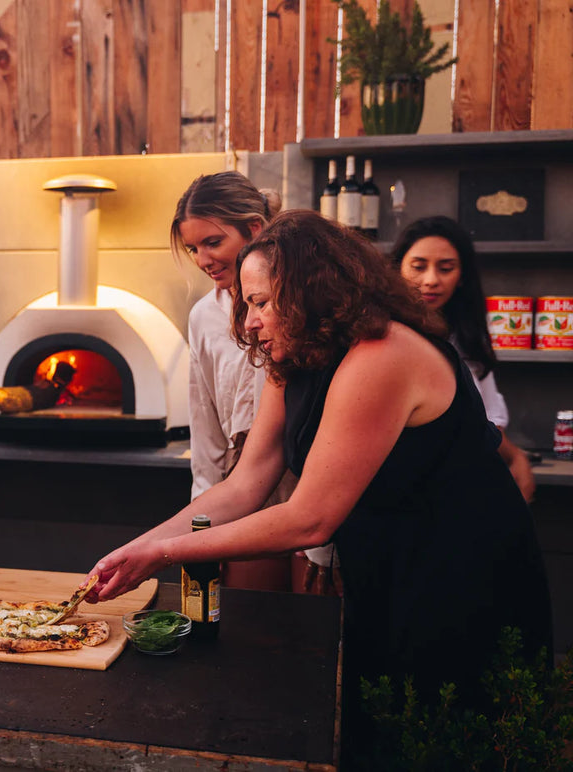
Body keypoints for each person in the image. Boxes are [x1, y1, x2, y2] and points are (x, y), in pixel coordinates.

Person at [87, 210, 552, 767]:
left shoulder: (383, 354)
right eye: (246, 304)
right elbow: (246, 484)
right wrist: (136, 547)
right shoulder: (294, 357)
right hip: (386, 565)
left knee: (446, 739)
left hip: (462, 571)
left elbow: (310, 518)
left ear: (312, 289)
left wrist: (162, 554)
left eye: (260, 302)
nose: (250, 321)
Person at [171, 172, 294, 591]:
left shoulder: (301, 300)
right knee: (252, 622)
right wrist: (201, 524)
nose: (203, 259)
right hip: (242, 489)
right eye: (193, 248)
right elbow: (204, 424)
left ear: (255, 229)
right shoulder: (204, 316)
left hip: (308, 480)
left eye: (212, 242)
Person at [392, 215, 535, 502]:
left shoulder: (467, 337)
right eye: (419, 267)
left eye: (446, 268)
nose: (431, 280)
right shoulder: (386, 335)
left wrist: (516, 457)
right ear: (396, 270)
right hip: (404, 492)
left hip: (464, 489)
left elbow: (486, 419)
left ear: (462, 277)